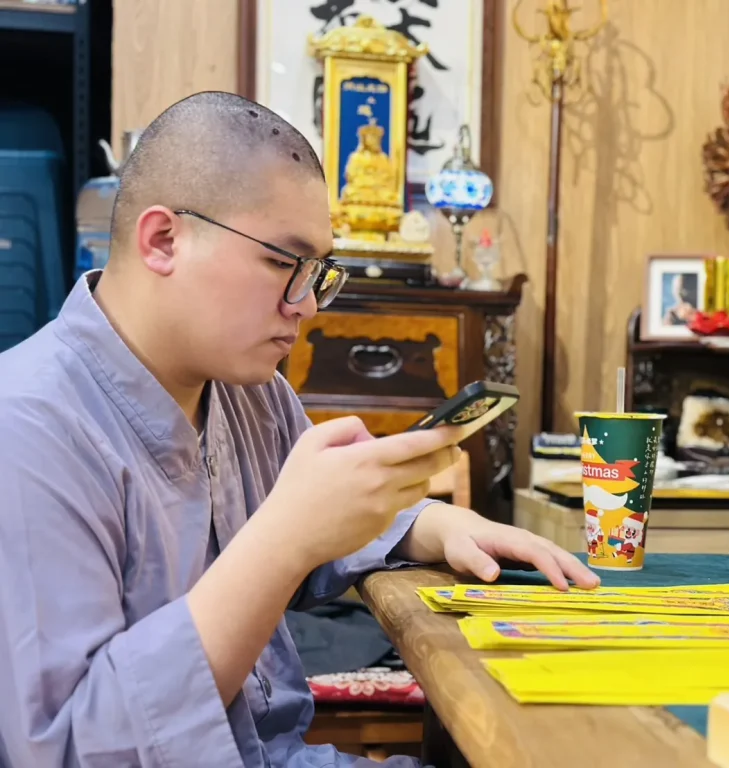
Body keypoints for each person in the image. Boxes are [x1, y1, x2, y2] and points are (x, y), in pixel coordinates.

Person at [0, 91, 599, 768]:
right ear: (164, 240)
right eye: (284, 264)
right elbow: (71, 750)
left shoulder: (250, 392)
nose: (308, 304)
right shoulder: (27, 429)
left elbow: (326, 525)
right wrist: (283, 541)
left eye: (317, 273)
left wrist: (433, 523)